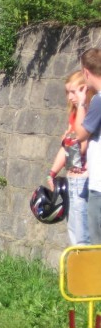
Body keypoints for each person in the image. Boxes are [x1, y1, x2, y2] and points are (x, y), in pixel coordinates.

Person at [46, 70, 95, 245]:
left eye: (74, 92)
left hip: (85, 179)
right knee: (75, 232)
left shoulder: (91, 113)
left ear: (85, 89)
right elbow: (66, 149)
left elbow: (81, 146)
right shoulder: (74, 115)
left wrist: (71, 140)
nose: (70, 97)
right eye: (67, 92)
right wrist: (52, 173)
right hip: (74, 179)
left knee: (82, 236)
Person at [74, 48, 101, 244]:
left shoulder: (99, 101)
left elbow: (80, 134)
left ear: (86, 72)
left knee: (97, 245)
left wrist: (82, 104)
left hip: (99, 186)